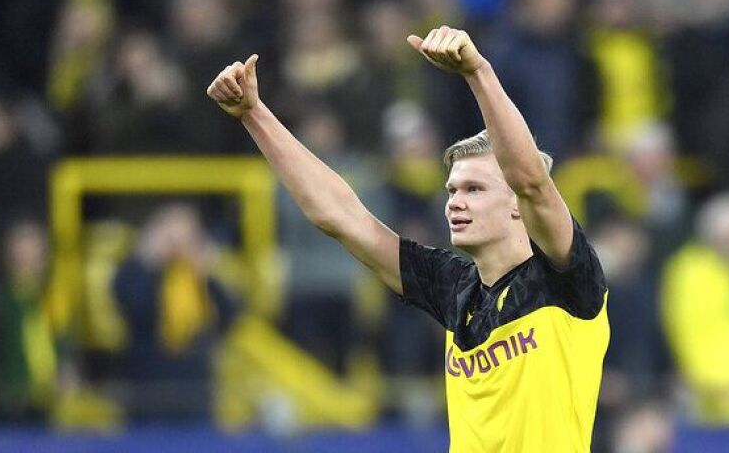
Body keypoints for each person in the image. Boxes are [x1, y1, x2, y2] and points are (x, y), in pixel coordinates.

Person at [206, 26, 609, 451]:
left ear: (516, 206)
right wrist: (254, 115)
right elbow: (342, 218)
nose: (455, 202)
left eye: (474, 189)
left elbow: (531, 182)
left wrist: (477, 72)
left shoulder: (564, 278)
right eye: (452, 190)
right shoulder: (455, 289)